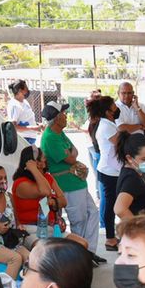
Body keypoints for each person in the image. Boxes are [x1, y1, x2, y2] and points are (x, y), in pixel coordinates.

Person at [38, 103, 93, 244]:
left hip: (76, 183)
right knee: (78, 220)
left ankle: (89, 250)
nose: (66, 116)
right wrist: (71, 154)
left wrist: (71, 154)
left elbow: (74, 151)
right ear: (57, 118)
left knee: (92, 213)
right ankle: (79, 250)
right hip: (67, 186)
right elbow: (71, 158)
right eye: (63, 113)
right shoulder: (50, 137)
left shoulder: (59, 133)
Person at [92, 96, 140, 252]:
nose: (116, 108)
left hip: (113, 170)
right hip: (109, 172)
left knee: (115, 204)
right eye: (113, 106)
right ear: (108, 112)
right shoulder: (106, 126)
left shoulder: (109, 124)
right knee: (112, 205)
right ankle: (110, 239)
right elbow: (122, 143)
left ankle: (116, 236)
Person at [11, 146, 66, 240]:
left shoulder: (48, 177)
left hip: (51, 226)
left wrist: (53, 202)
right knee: (47, 248)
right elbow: (46, 191)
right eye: (43, 157)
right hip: (30, 228)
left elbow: (64, 202)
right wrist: (34, 169)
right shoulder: (21, 183)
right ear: (35, 162)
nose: (45, 159)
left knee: (81, 243)